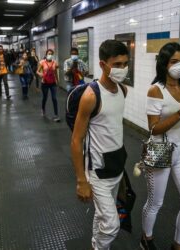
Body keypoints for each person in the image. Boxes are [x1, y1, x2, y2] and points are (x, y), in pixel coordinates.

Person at [70, 40, 129, 250]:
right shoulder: (91, 96)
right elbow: (76, 140)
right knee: (112, 225)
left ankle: (96, 244)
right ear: (103, 65)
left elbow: (113, 128)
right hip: (97, 172)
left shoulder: (123, 90)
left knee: (103, 216)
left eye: (125, 64)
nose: (122, 69)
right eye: (117, 64)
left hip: (116, 166)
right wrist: (81, 181)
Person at [141, 42, 180, 250]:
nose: (179, 65)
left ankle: (178, 245)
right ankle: (146, 238)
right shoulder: (156, 90)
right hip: (159, 150)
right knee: (155, 203)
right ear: (164, 63)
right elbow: (153, 128)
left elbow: (179, 120)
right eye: (174, 61)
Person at [37, 49, 60, 122]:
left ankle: (56, 115)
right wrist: (40, 74)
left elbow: (55, 72)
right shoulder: (42, 62)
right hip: (45, 83)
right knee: (45, 97)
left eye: (51, 54)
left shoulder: (54, 63)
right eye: (48, 53)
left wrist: (57, 81)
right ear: (46, 54)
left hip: (52, 83)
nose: (50, 55)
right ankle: (43, 109)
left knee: (54, 98)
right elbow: (37, 71)